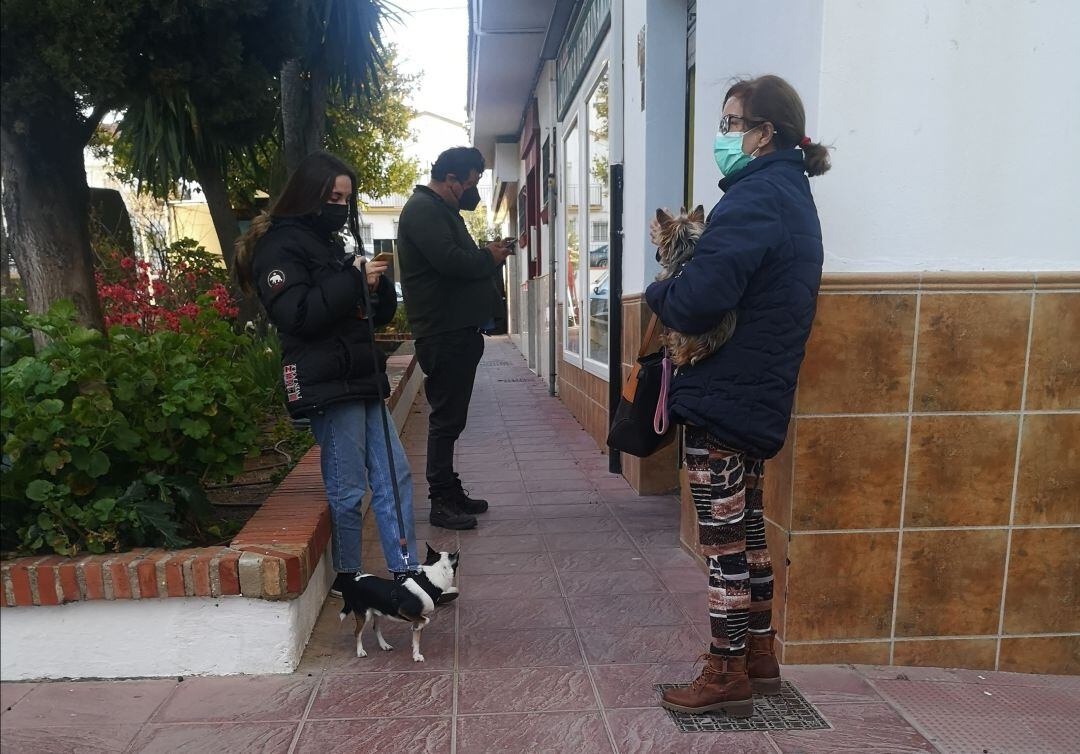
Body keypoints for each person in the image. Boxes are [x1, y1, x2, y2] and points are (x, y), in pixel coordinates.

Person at [645, 75, 831, 717]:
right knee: (748, 531)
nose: (722, 136)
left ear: (763, 133)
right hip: (754, 396)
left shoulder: (754, 199)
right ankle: (758, 655)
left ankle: (726, 673)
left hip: (725, 396)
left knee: (723, 543)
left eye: (730, 124)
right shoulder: (792, 195)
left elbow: (698, 298)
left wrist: (659, 294)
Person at [235, 151, 419, 596]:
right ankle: (349, 577)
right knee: (348, 485)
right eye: (333, 196)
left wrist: (374, 289)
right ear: (308, 194)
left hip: (357, 373)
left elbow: (352, 310)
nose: (340, 205)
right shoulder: (278, 248)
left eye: (346, 198)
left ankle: (406, 571)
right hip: (323, 380)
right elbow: (296, 316)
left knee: (395, 474)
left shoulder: (329, 244)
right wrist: (352, 279)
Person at [396, 147, 513, 530]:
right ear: (450, 180)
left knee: (451, 418)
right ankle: (440, 501)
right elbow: (449, 262)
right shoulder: (423, 210)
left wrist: (485, 253)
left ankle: (448, 490)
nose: (471, 191)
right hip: (442, 332)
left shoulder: (441, 211)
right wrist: (489, 259)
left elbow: (455, 257)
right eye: (470, 183)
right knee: (445, 419)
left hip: (455, 331)